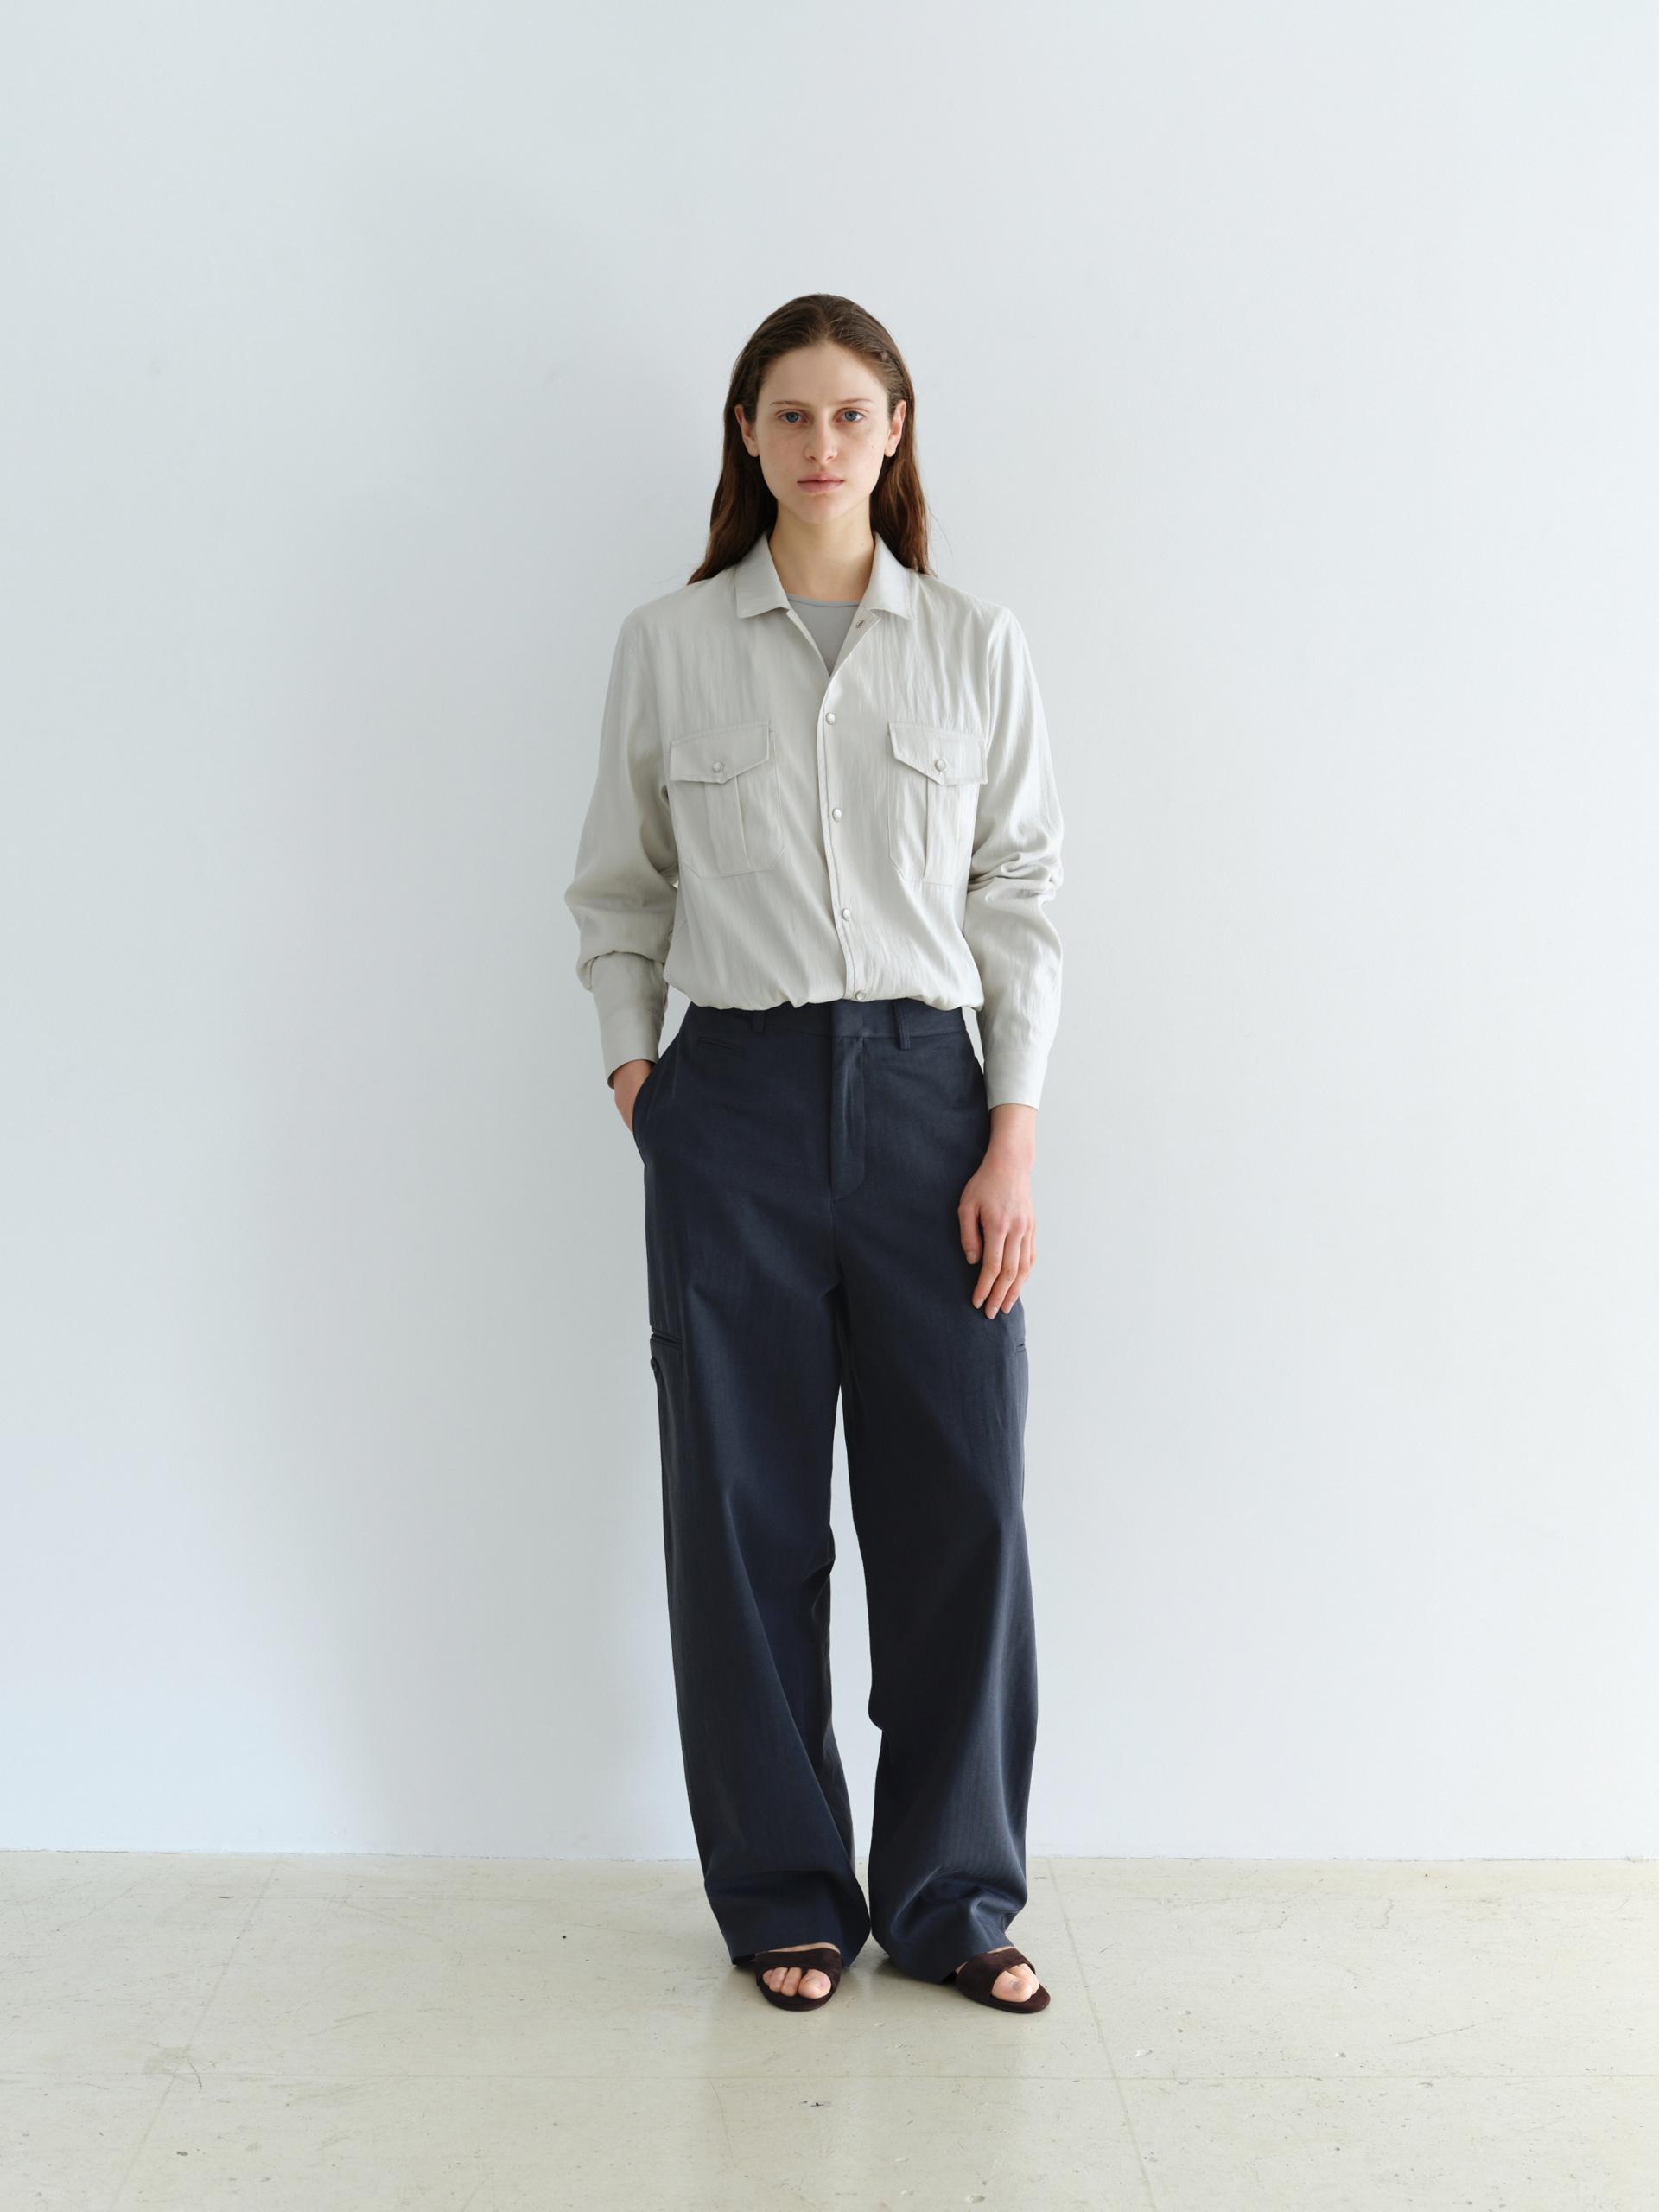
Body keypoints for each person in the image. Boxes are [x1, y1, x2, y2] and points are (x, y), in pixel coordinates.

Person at [563, 293, 1064, 2017]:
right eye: (791, 413)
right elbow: (618, 884)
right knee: (745, 1515)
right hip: (736, 1106)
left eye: (852, 412)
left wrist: (1010, 1136)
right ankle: (784, 1891)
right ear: (749, 435)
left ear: (895, 430)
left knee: (963, 1510)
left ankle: (953, 1897)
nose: (822, 442)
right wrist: (643, 1077)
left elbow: (1020, 894)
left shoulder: (974, 644)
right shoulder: (672, 643)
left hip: (934, 1107)